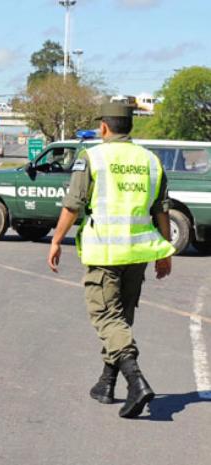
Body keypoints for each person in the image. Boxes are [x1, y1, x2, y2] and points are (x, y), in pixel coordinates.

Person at [47, 102, 175, 419]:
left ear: (104, 127)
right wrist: (165, 251)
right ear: (129, 127)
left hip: (104, 251)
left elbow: (73, 204)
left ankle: (136, 380)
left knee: (106, 317)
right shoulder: (150, 161)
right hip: (137, 254)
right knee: (121, 318)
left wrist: (56, 239)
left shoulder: (93, 157)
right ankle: (107, 383)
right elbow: (161, 210)